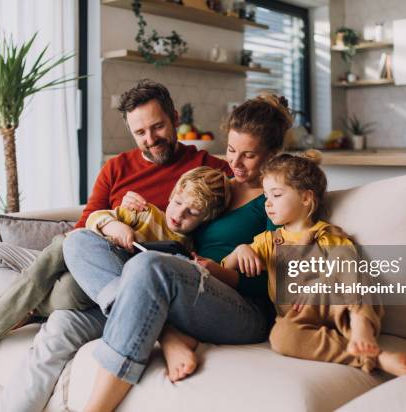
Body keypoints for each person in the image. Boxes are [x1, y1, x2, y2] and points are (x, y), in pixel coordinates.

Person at [0, 79, 230, 408]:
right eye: (140, 132)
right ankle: (31, 305)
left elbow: (236, 215)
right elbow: (80, 232)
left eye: (158, 127)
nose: (150, 139)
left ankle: (28, 306)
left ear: (174, 118)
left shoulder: (209, 171)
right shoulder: (116, 167)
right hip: (88, 262)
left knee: (55, 334)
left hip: (131, 286)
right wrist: (112, 221)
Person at [61, 93, 292, 411]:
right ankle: (167, 333)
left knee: (149, 265)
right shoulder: (217, 184)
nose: (234, 164)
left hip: (244, 310)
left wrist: (224, 268)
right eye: (231, 150)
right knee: (78, 242)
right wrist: (131, 216)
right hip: (188, 285)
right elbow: (178, 228)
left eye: (248, 156)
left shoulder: (276, 198)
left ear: (272, 153)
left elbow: (282, 281)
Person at [0, 166, 230, 386]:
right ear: (172, 195)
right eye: (178, 203)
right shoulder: (145, 213)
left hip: (91, 286)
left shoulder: (186, 252)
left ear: (207, 218)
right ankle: (18, 312)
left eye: (192, 213)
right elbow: (95, 218)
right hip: (73, 254)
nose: (179, 214)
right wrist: (115, 224)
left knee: (67, 286)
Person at [223, 152, 406, 376]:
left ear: (306, 198)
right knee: (280, 336)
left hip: (337, 305)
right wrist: (240, 250)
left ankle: (362, 324)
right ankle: (373, 357)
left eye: (276, 195)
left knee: (349, 264)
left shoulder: (326, 234)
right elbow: (226, 268)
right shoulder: (268, 242)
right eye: (266, 197)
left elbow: (350, 273)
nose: (268, 204)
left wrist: (318, 285)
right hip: (299, 316)